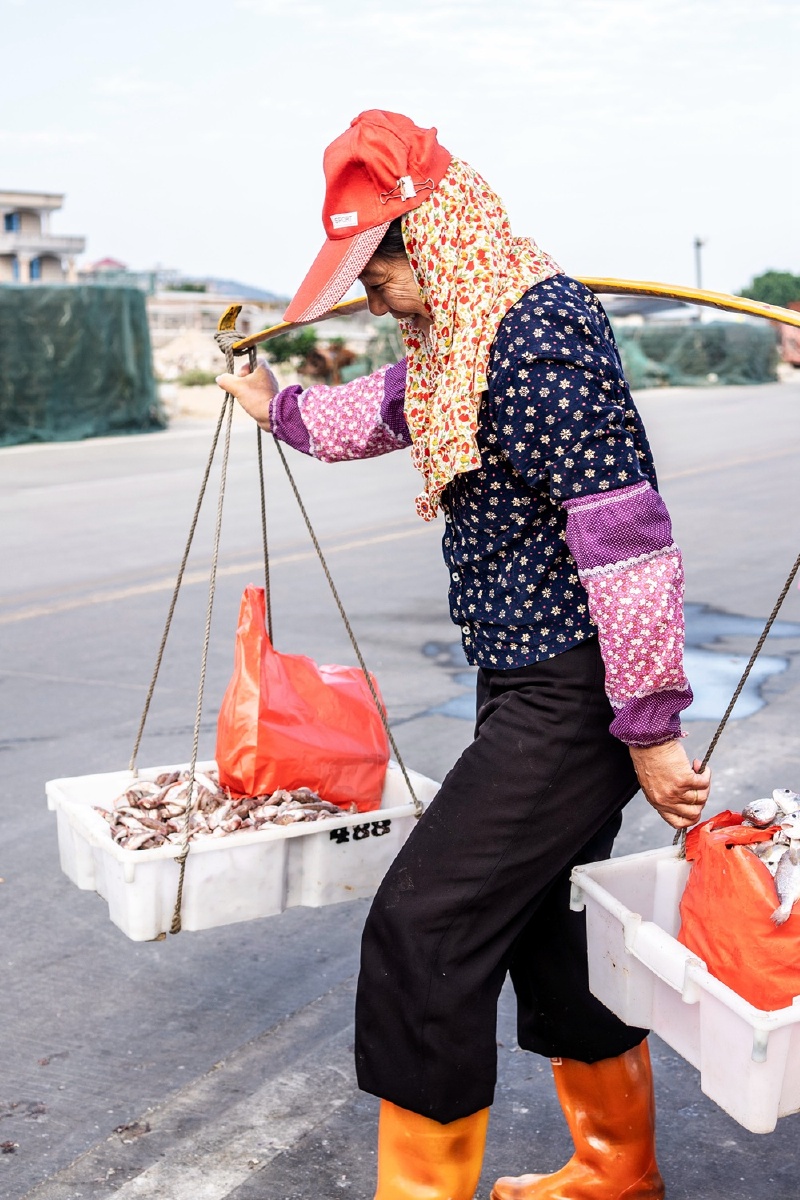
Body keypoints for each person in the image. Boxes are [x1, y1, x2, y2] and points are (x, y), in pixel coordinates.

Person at [217, 110, 712, 1200]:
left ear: (433, 239)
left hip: (575, 695)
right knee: (549, 916)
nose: (373, 289)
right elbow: (374, 413)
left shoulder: (532, 343)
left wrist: (648, 730)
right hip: (525, 679)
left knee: (422, 926)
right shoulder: (462, 343)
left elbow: (625, 544)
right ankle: (613, 1169)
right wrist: (273, 407)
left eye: (378, 264)